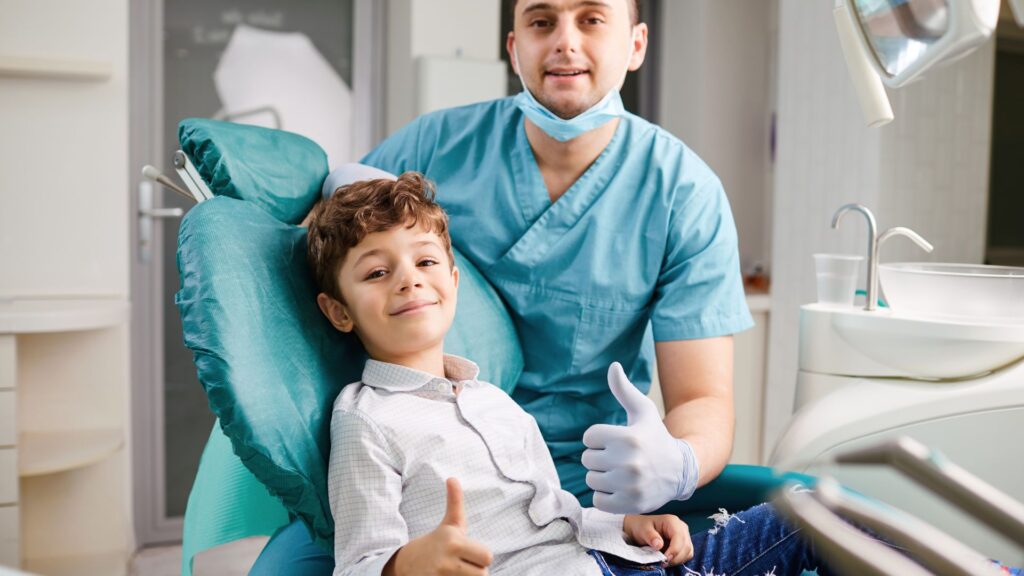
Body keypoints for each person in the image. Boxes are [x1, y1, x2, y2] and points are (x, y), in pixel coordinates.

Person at [253, 0, 752, 571]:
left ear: (636, 45)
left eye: (591, 19)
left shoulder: (682, 193)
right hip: (421, 482)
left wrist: (676, 462)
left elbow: (702, 398)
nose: (564, 42)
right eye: (541, 21)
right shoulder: (437, 145)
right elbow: (332, 237)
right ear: (514, 47)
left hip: (584, 489)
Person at [306, 171, 835, 576]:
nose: (408, 281)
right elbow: (359, 562)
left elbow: (557, 513)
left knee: (821, 512)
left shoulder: (492, 400)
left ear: (453, 280)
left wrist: (628, 523)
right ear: (338, 311)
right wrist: (412, 563)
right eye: (377, 272)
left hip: (615, 561)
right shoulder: (366, 420)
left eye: (425, 262)